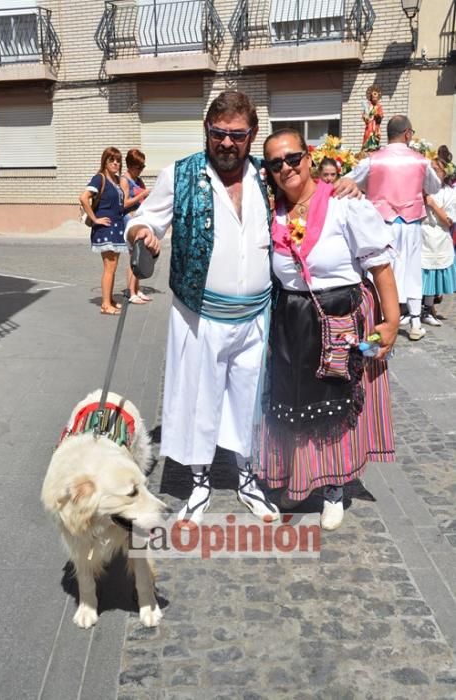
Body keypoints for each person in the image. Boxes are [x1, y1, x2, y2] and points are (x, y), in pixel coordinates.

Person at [126, 91, 360, 527]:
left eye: (237, 134)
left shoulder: (263, 175)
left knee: (248, 401)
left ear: (251, 136)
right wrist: (142, 233)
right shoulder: (179, 174)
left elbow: (307, 190)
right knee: (199, 398)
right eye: (219, 133)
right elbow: (146, 219)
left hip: (256, 316)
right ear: (207, 132)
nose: (227, 143)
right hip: (198, 315)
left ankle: (247, 477)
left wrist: (346, 184)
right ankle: (198, 485)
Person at [256, 128, 399, 531]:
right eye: (275, 163)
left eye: (293, 157)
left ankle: (335, 487)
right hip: (292, 321)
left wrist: (391, 322)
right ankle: (298, 479)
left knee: (336, 405)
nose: (286, 167)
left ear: (308, 158)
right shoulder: (273, 214)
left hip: (342, 315)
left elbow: (380, 264)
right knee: (293, 403)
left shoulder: (343, 204)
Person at [350, 115, 441, 341]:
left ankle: (377, 317)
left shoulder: (373, 160)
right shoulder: (420, 161)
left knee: (379, 268)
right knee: (411, 268)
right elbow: (434, 187)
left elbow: (351, 181)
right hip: (410, 223)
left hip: (382, 222)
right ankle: (415, 321)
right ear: (408, 133)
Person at [79, 147, 127, 315]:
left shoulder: (115, 180)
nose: (115, 163)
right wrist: (95, 218)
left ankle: (109, 299)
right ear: (105, 162)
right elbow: (83, 197)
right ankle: (105, 305)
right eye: (111, 160)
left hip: (116, 228)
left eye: (118, 160)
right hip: (105, 229)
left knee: (113, 267)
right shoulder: (99, 178)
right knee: (109, 267)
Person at [421, 153, 456, 326]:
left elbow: (449, 221)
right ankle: (415, 309)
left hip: (440, 236)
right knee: (421, 273)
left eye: (437, 170)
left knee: (433, 273)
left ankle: (428, 308)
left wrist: (433, 204)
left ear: (444, 173)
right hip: (423, 235)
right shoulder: (423, 189)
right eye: (431, 170)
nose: (433, 173)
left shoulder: (450, 193)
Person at [121, 148, 152, 305]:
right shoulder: (125, 180)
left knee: (140, 256)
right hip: (129, 221)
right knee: (133, 258)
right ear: (130, 165)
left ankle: (137, 289)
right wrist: (142, 195)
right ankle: (131, 292)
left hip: (139, 220)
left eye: (143, 167)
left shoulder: (138, 180)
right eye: (139, 167)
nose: (141, 170)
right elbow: (124, 203)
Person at [361, 84, 384, 152]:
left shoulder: (379, 106)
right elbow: (364, 115)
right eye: (373, 98)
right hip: (369, 125)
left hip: (375, 126)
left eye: (376, 98)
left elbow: (381, 116)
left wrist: (377, 114)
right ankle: (366, 149)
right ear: (371, 97)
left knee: (375, 137)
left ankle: (374, 148)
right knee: (367, 135)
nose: (375, 99)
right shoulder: (367, 105)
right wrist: (366, 117)